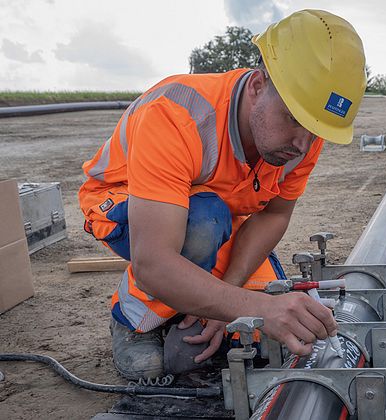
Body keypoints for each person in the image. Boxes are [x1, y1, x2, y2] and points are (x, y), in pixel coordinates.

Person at [77, 9, 366, 380]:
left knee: (261, 335)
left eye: (315, 130)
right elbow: (153, 262)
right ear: (259, 85)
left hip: (219, 214)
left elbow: (274, 215)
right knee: (203, 226)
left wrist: (230, 296)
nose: (303, 144)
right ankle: (132, 320)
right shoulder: (175, 115)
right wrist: (258, 307)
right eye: (294, 119)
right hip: (128, 202)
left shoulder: (303, 137)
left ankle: (192, 299)